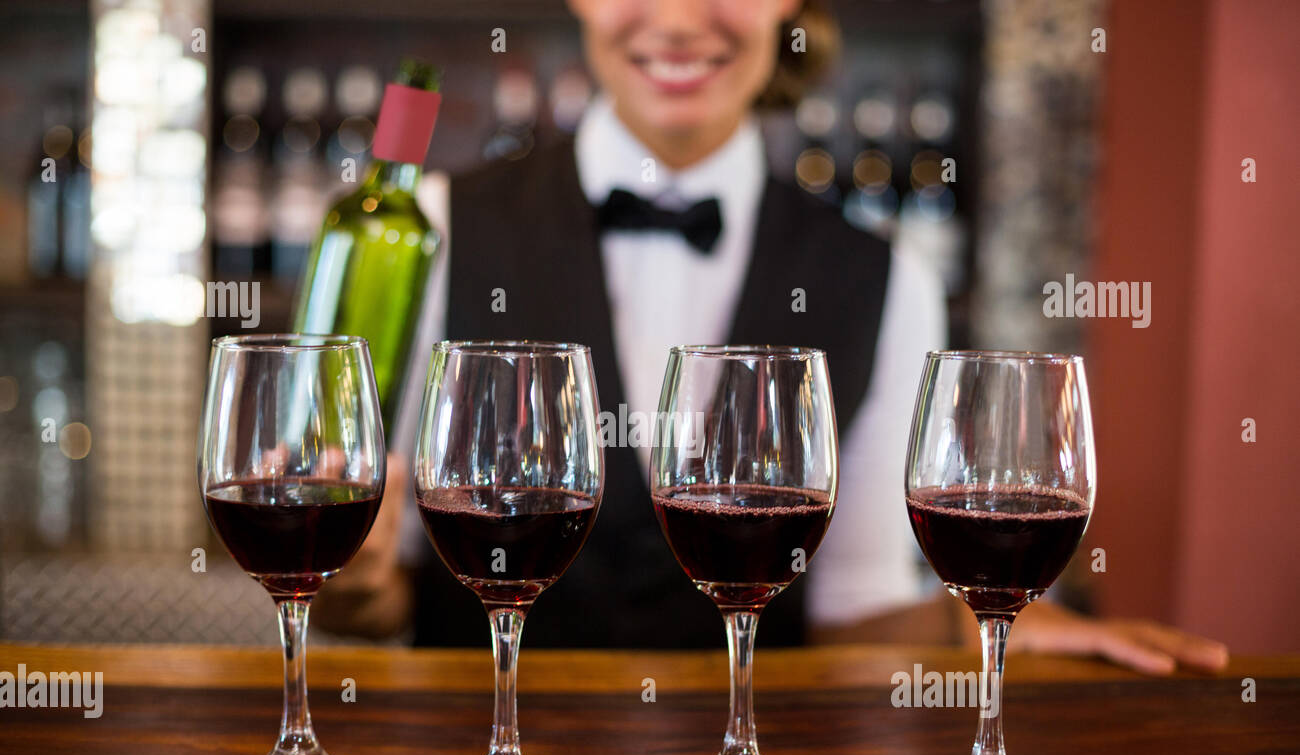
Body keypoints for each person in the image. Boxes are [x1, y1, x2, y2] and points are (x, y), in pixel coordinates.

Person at [314, 0, 1227, 675]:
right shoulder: (431, 231)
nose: (676, 19)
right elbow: (380, 602)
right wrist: (348, 587)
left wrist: (1007, 631)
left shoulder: (886, 280)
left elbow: (852, 615)